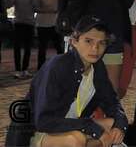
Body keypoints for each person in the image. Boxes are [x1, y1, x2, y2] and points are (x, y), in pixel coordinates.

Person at [27, 15, 128, 147]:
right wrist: (90, 127)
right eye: (88, 41)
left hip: (74, 125)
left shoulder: (97, 68)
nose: (95, 49)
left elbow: (112, 103)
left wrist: (120, 125)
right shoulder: (57, 66)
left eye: (101, 43)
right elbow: (44, 121)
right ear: (74, 41)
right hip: (41, 131)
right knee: (76, 139)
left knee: (111, 124)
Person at [9, 0, 41, 78]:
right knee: (17, 47)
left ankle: (25, 69)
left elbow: (37, 8)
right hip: (18, 22)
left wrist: (34, 4)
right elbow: (9, 4)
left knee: (28, 48)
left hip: (29, 23)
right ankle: (18, 70)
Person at [35, 0, 63, 70]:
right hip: (42, 25)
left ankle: (62, 66)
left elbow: (60, 8)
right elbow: (36, 8)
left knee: (59, 47)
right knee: (42, 48)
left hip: (54, 24)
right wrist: (50, 10)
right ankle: (40, 68)